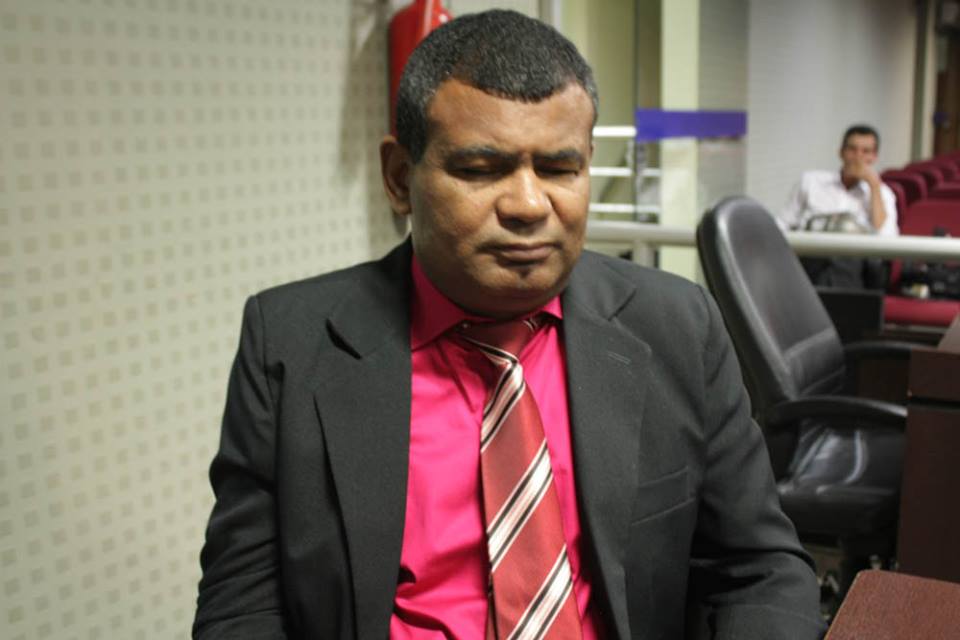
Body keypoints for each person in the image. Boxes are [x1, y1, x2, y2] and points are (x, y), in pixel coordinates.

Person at [194, 10, 823, 639]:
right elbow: (242, 608)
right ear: (399, 178)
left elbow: (759, 569)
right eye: (479, 169)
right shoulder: (291, 343)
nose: (528, 205)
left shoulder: (677, 325)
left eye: (559, 169)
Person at [779, 124, 899, 288]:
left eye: (865, 152)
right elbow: (783, 223)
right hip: (811, 254)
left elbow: (885, 236)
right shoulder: (811, 181)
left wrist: (874, 186)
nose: (857, 157)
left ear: (874, 157)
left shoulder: (883, 193)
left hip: (854, 263)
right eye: (852, 149)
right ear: (841, 152)